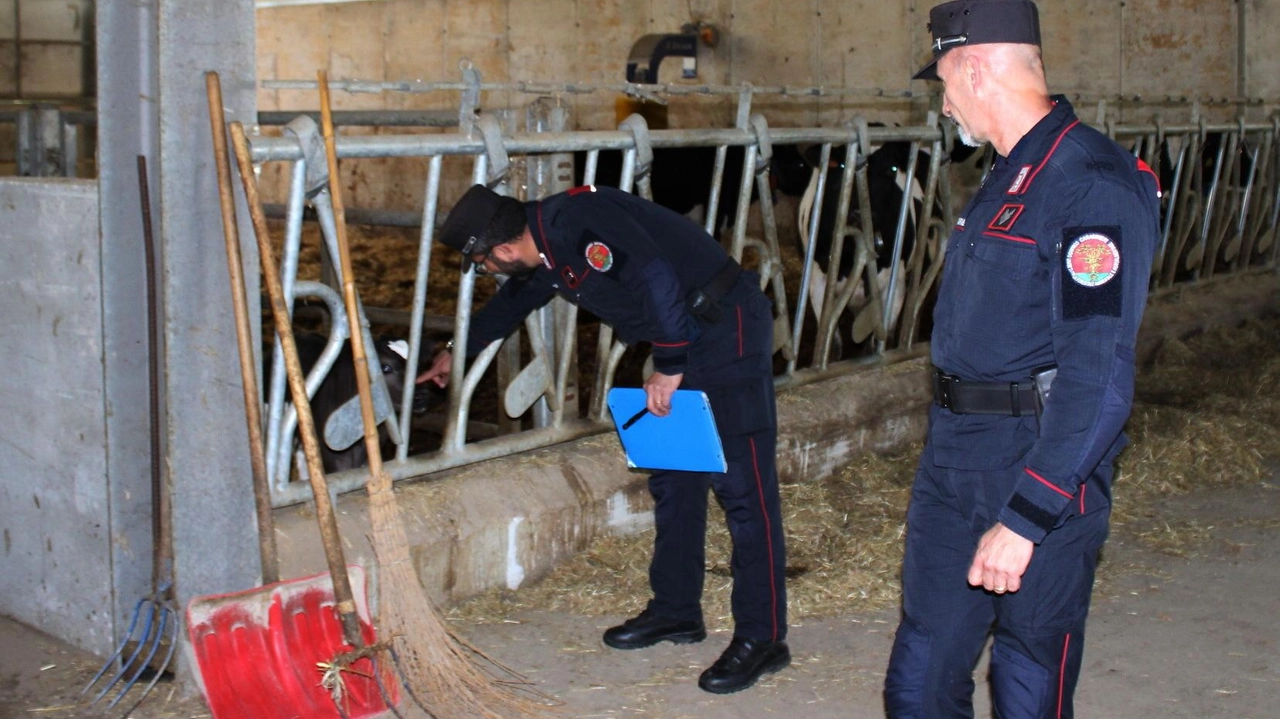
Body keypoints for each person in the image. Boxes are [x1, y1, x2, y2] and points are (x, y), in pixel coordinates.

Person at [883, 1, 1162, 717]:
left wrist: (1029, 514)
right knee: (919, 677)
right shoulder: (1008, 174)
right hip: (954, 457)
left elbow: (1097, 375)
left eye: (942, 81)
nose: (942, 103)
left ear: (974, 67)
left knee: (1027, 679)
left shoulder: (1088, 182)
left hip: (1039, 461)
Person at [418, 183, 789, 694]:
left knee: (743, 486)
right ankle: (677, 610)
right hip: (684, 332)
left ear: (502, 251)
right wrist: (456, 350)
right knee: (676, 478)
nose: (488, 272)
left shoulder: (577, 224)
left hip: (725, 326)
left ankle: (764, 637)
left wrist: (670, 364)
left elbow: (655, 275)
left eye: (483, 264)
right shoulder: (545, 245)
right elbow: (516, 300)